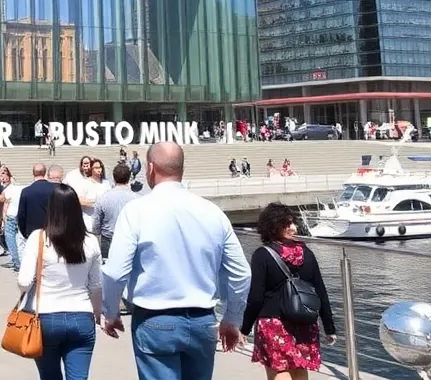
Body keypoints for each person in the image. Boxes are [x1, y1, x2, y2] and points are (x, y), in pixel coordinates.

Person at [101, 143, 251, 380]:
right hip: (203, 319)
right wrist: (233, 318)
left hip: (154, 318)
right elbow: (241, 273)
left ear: (150, 168)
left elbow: (115, 271)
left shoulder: (136, 210)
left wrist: (110, 312)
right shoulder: (212, 211)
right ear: (181, 168)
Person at [242, 203, 336, 380]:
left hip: (273, 322)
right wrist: (329, 326)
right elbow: (320, 291)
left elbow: (256, 297)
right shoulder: (306, 253)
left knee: (278, 369)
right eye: (287, 224)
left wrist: (245, 328)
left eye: (292, 223)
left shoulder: (262, 255)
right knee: (300, 367)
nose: (293, 228)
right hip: (304, 321)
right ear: (274, 226)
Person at [18, 183, 102, 380]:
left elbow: (23, 281)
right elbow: (96, 285)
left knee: (49, 376)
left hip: (46, 317)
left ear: (51, 208)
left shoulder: (38, 238)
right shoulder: (90, 241)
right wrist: (98, 315)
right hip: (82, 316)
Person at [93, 163, 138, 260]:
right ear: (129, 178)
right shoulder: (137, 199)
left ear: (113, 178)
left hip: (108, 240)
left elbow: (96, 227)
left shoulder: (102, 199)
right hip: (130, 240)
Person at [0, 166, 24, 270]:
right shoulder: (19, 187)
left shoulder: (8, 189)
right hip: (20, 214)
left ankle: (16, 262)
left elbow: (3, 203)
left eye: (4, 174)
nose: (2, 177)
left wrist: (4, 219)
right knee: (20, 239)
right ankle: (19, 260)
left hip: (11, 215)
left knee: (10, 239)